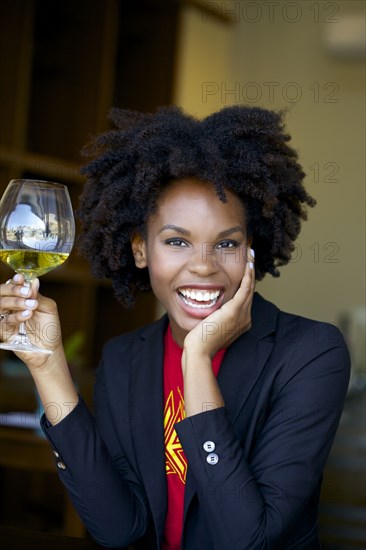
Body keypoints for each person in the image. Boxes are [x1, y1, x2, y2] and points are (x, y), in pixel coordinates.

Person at [0, 105, 350, 549]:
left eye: (226, 243)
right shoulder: (126, 358)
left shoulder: (311, 353)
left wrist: (198, 359)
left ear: (250, 251)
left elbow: (248, 540)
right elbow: (118, 528)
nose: (203, 266)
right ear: (141, 249)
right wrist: (48, 367)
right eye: (177, 241)